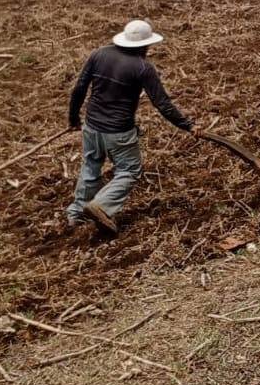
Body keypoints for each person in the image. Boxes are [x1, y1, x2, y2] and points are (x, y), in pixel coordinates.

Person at [66, 19, 195, 235]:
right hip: (119, 132)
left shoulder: (99, 54)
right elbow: (162, 103)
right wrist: (187, 126)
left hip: (92, 126)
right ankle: (101, 205)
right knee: (129, 170)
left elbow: (79, 88)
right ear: (145, 45)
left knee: (90, 164)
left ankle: (76, 213)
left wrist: (73, 119)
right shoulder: (143, 68)